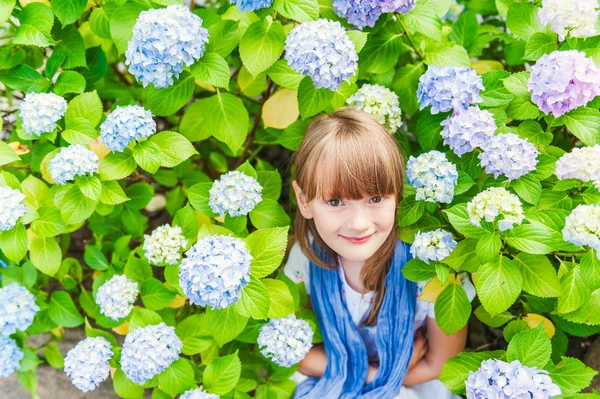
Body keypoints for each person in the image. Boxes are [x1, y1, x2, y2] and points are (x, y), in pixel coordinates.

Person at [282, 107, 476, 398]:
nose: (358, 223)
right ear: (304, 200)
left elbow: (440, 362)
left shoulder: (432, 269)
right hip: (364, 371)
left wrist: (390, 379)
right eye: (335, 202)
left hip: (413, 379)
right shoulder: (307, 257)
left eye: (375, 198)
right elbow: (296, 352)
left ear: (398, 193)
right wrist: (381, 375)